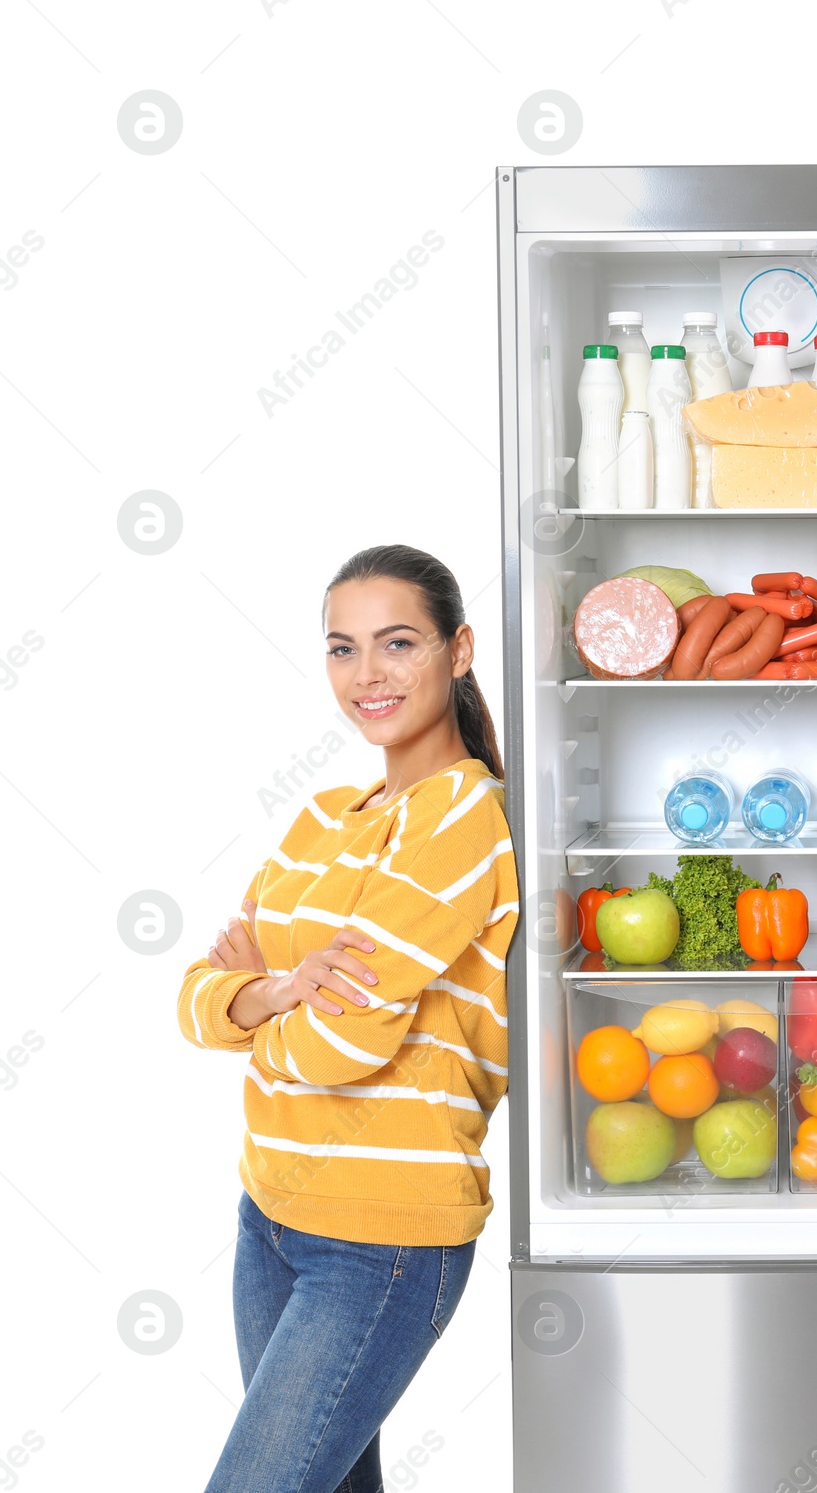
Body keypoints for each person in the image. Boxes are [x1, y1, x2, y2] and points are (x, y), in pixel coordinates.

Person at [178, 545, 517, 1493]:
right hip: (270, 1214)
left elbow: (340, 1045)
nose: (367, 674)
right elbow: (195, 995)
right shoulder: (324, 816)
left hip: (383, 1239)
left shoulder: (466, 820)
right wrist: (284, 989)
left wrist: (262, 1004)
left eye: (397, 642)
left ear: (458, 650)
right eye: (342, 648)